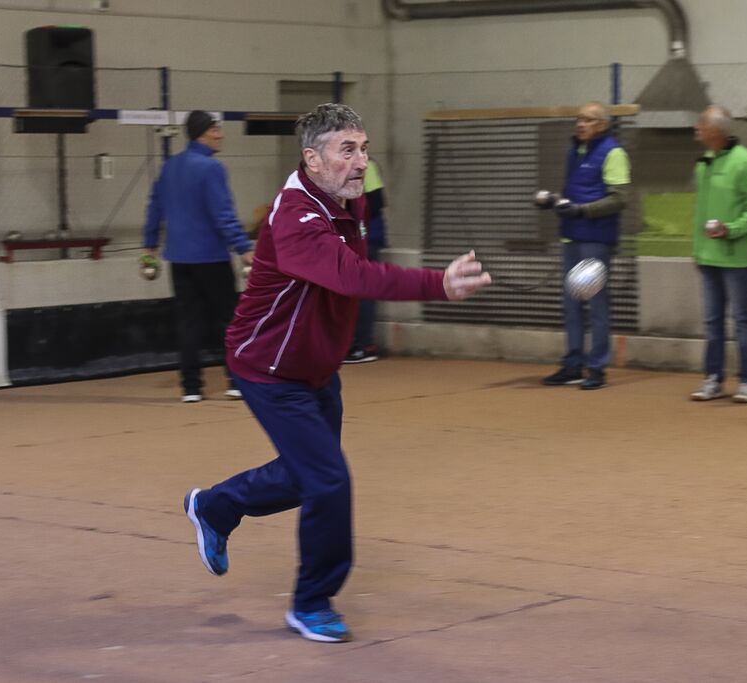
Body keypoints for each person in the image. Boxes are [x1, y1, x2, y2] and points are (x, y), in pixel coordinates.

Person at [181, 103, 491, 644]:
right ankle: (311, 604)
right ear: (313, 159)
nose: (361, 161)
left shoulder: (351, 199)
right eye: (347, 150)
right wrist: (435, 285)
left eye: (364, 149)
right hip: (268, 367)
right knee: (328, 480)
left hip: (317, 368)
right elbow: (351, 277)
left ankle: (214, 506)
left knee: (305, 476)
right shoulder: (294, 216)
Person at [142, 110, 254, 403]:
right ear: (202, 133)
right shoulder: (211, 168)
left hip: (179, 259)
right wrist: (243, 248)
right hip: (211, 257)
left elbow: (155, 206)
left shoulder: (170, 166)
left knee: (187, 322)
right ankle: (237, 381)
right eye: (215, 130)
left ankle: (191, 387)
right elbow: (223, 214)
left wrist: (149, 244)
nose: (220, 135)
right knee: (229, 319)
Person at [540, 102, 631, 391]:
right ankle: (573, 364)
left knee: (596, 303)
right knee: (572, 305)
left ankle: (596, 368)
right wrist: (555, 201)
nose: (580, 124)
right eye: (578, 119)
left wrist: (582, 210)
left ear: (602, 125)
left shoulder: (613, 153)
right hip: (572, 235)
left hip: (595, 238)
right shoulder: (575, 151)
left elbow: (619, 199)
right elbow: (575, 192)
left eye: (588, 120)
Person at [689, 105, 747, 403]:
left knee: (741, 318)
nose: (696, 128)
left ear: (716, 130)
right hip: (708, 256)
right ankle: (713, 378)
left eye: (701, 123)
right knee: (712, 321)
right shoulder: (704, 163)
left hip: (737, 257)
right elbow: (701, 212)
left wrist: (731, 230)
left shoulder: (746, 162)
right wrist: (697, 251)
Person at [343, 157, 388, 364]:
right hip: (354, 238)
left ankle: (362, 345)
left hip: (368, 238)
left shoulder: (365, 166)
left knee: (362, 292)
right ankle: (353, 343)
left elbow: (377, 201)